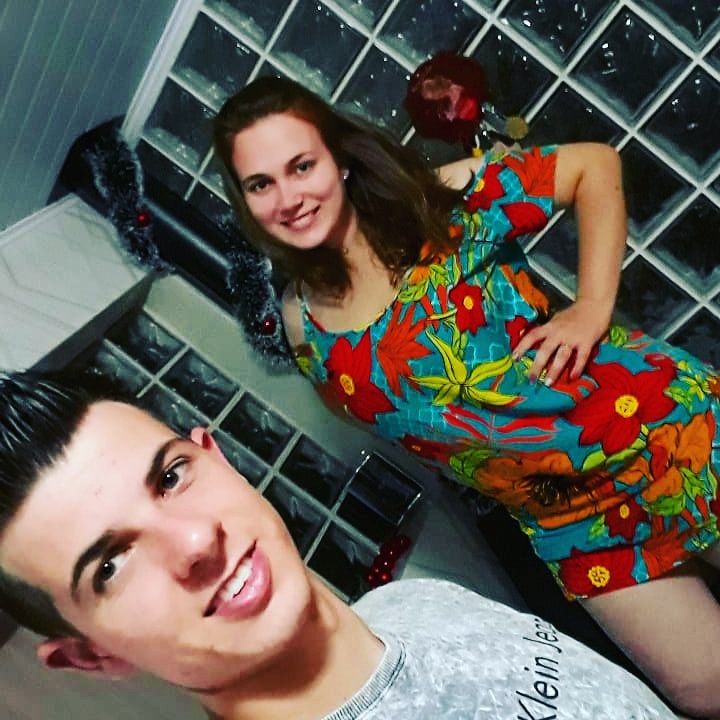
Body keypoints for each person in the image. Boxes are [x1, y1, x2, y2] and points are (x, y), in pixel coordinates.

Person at [212, 75, 720, 718]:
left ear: (338, 158)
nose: (288, 198)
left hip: (654, 429)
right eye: (261, 184)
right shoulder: (300, 325)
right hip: (573, 522)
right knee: (705, 688)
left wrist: (593, 307)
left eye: (301, 166)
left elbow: (594, 166)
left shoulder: (435, 201)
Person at [0, 371, 679, 720]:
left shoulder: (411, 602)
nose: (196, 540)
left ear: (217, 456)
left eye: (172, 477)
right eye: (111, 565)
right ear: (92, 655)